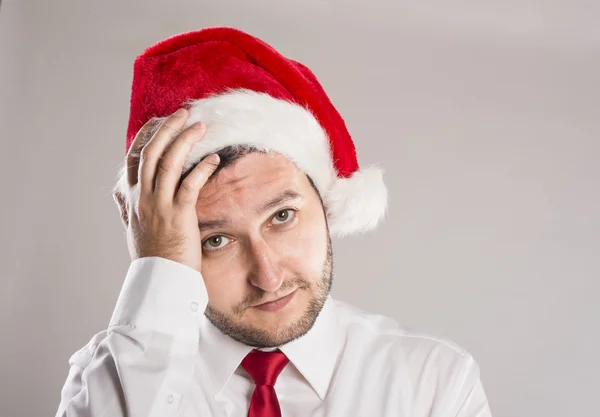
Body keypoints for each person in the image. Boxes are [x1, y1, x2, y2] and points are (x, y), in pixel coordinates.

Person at [55, 27, 492, 417]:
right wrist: (158, 271)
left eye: (282, 216)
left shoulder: (434, 385)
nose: (267, 276)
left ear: (325, 203)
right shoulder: (104, 384)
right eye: (216, 240)